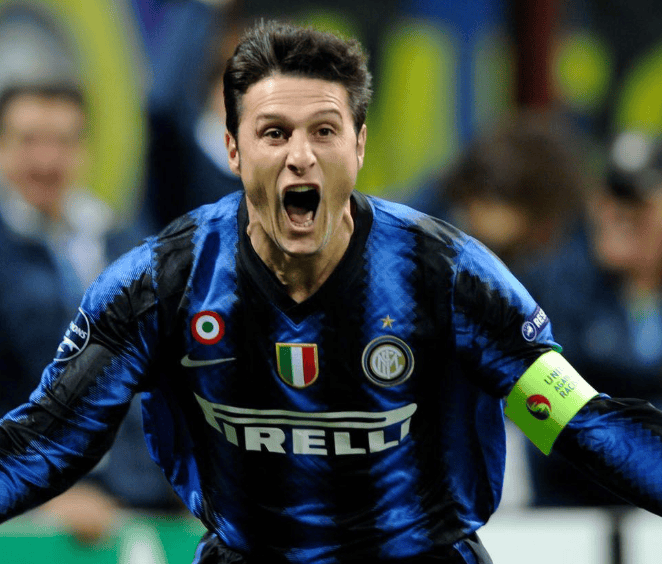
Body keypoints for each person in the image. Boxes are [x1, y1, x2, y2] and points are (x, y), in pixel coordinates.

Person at [1, 21, 662, 564]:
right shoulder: (159, 284)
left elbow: (580, 424)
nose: (301, 156)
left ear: (359, 145)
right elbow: (46, 444)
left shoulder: (451, 278)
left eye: (324, 130)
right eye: (274, 133)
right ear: (232, 149)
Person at [0, 80, 180, 541]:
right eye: (29, 141)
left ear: (84, 151)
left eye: (63, 141)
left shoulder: (123, 242)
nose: (46, 160)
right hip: (41, 514)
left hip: (148, 503)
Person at [521, 130, 662, 508]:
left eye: (637, 202)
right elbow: (535, 411)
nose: (618, 213)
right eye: (610, 197)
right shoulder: (549, 288)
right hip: (569, 513)